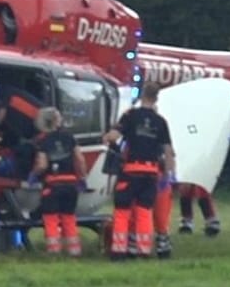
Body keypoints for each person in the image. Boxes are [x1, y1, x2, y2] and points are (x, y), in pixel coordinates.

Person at [103, 83, 175, 260]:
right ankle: (144, 250)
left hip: (130, 170)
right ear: (156, 98)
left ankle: (119, 250)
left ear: (142, 95)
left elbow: (113, 137)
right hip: (151, 173)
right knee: (145, 211)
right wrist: (168, 175)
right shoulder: (161, 121)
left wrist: (106, 136)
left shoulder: (130, 115)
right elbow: (168, 151)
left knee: (122, 211)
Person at [31, 107, 87, 256]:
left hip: (52, 185)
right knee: (69, 217)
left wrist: (34, 174)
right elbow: (80, 160)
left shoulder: (42, 140)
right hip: (70, 184)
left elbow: (42, 165)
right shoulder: (70, 137)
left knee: (51, 218)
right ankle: (74, 251)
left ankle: (54, 251)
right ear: (57, 120)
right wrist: (82, 178)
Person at [0, 84, 43, 181]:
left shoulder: (6, 93)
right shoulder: (11, 93)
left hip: (36, 130)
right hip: (25, 131)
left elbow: (0, 116)